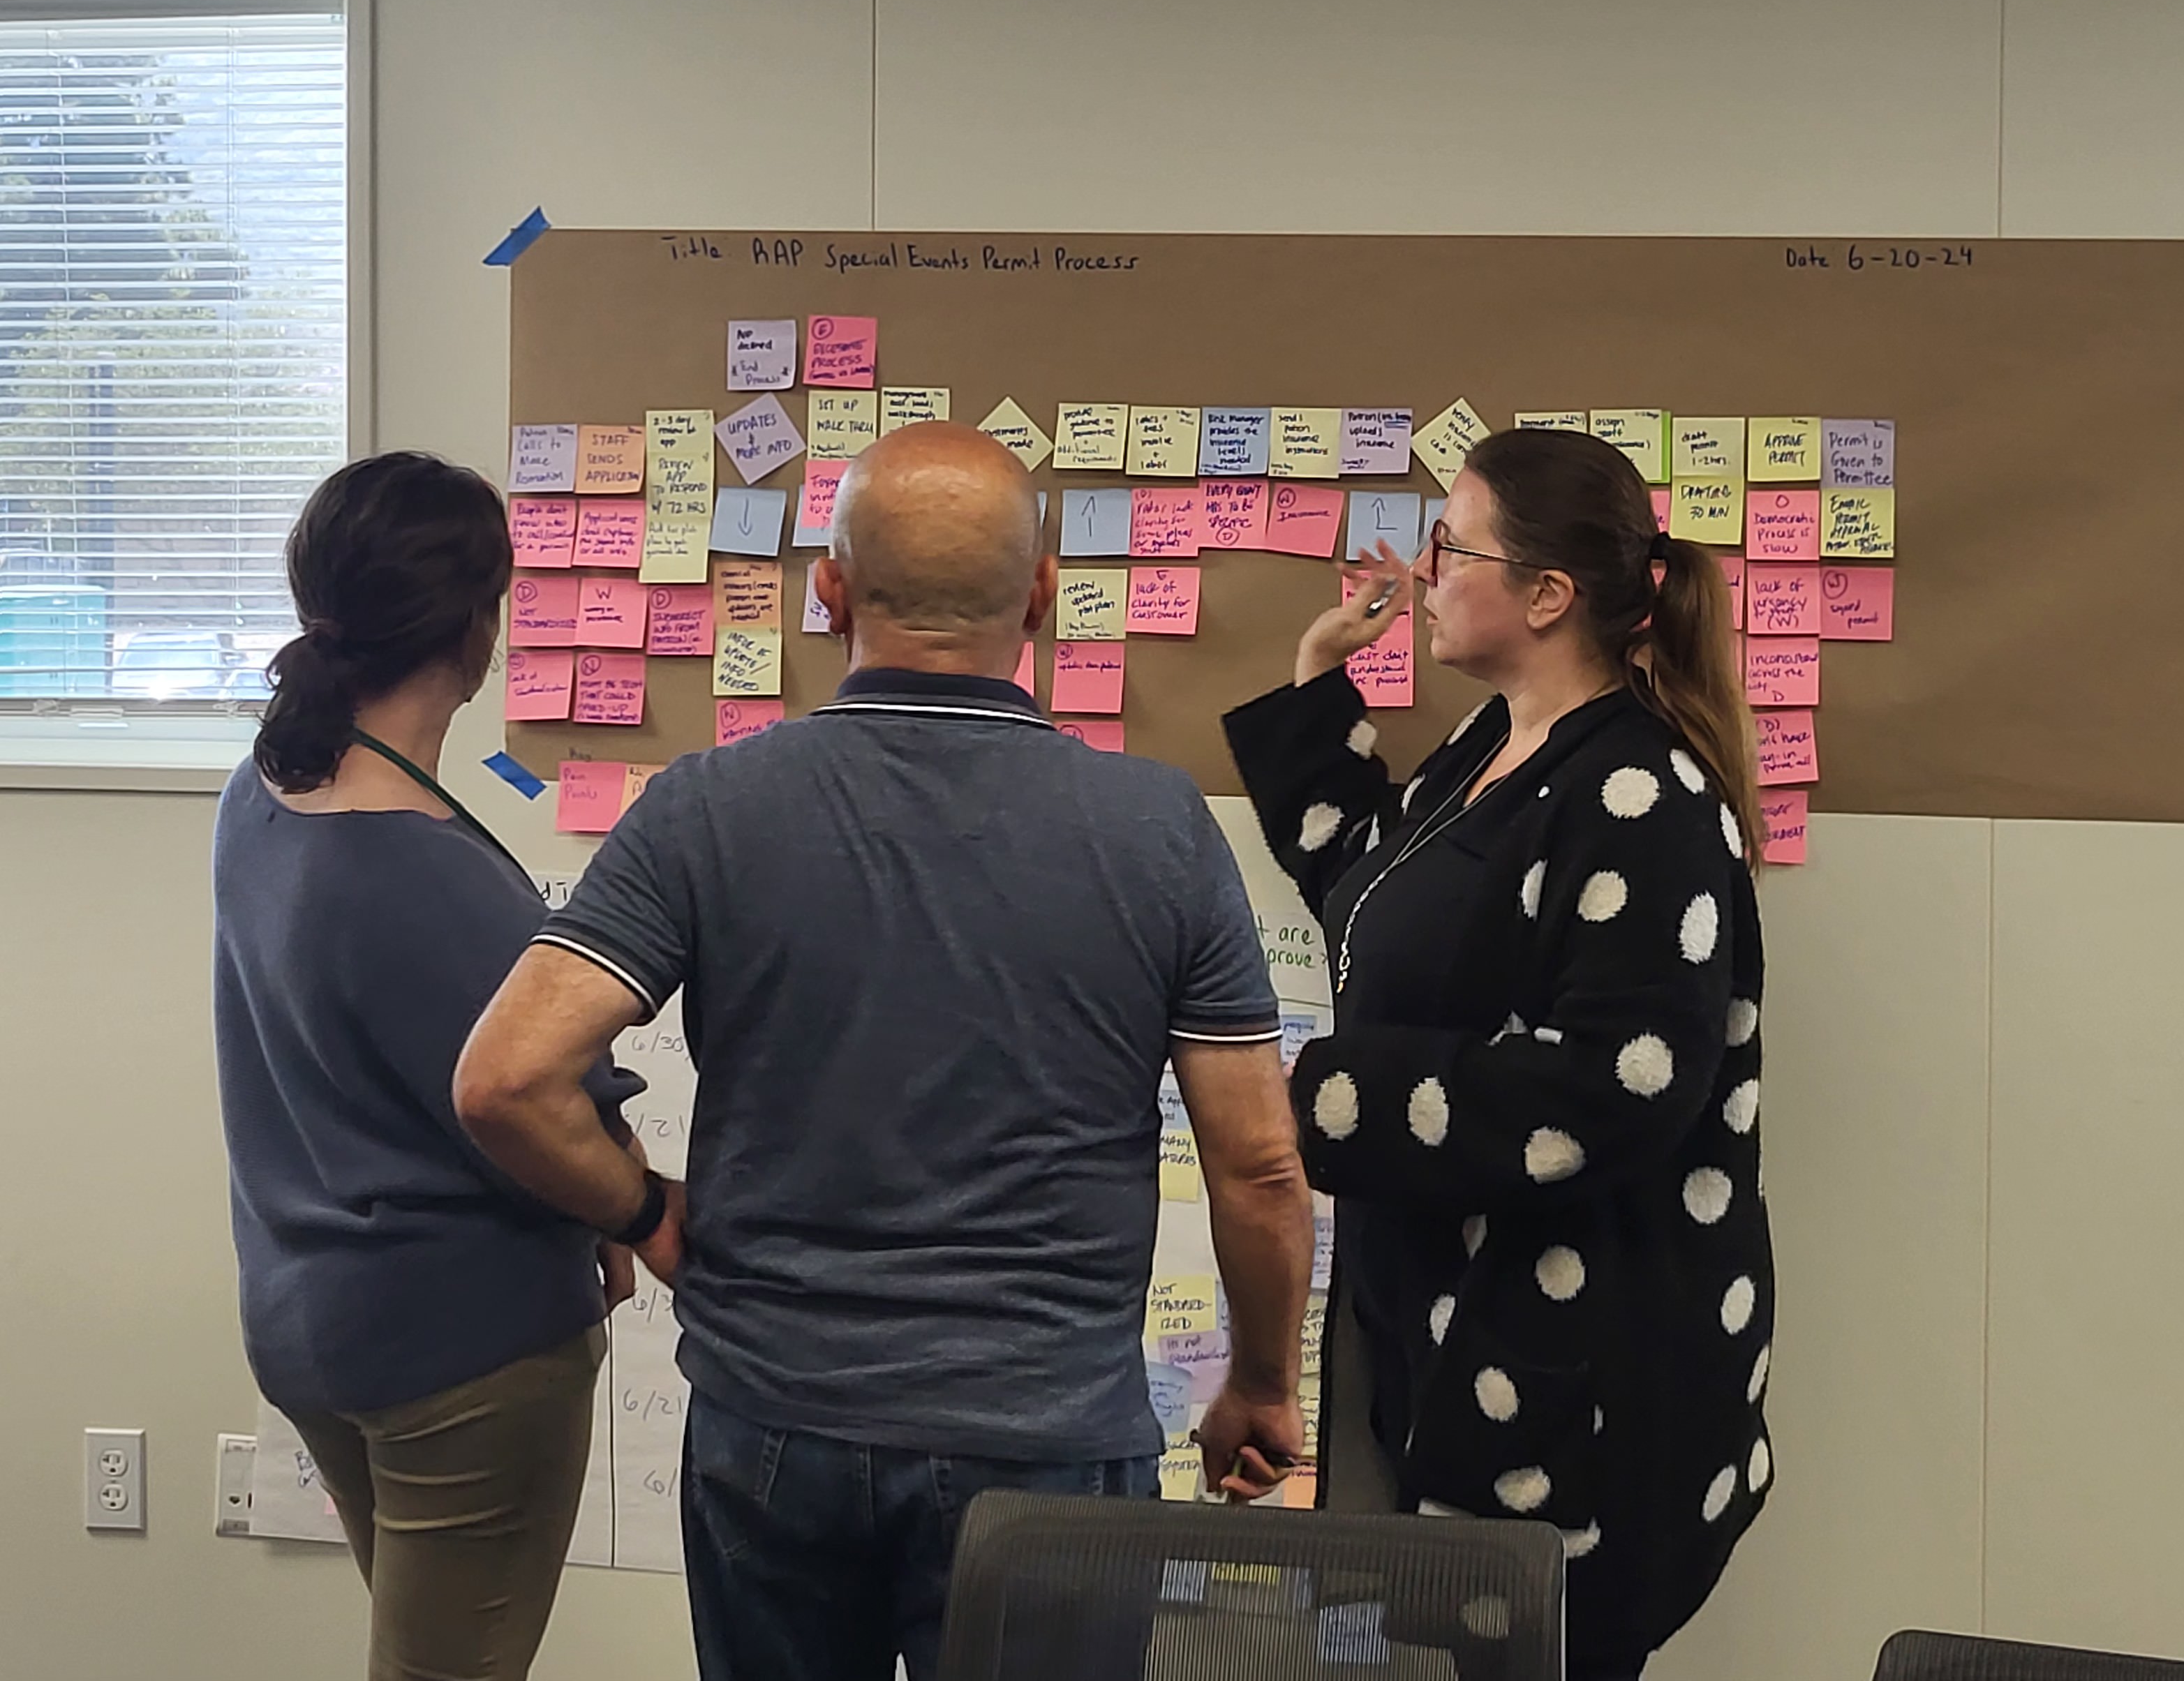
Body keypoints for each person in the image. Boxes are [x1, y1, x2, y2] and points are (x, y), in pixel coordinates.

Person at [452, 420, 1314, 1681]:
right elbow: (1260, 1169)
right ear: (1041, 597)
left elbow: (506, 1079)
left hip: (776, 1431)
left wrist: (646, 1213)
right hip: (1051, 1444)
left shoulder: (709, 807)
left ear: (831, 591)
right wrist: (1259, 1382)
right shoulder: (1159, 830)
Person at [1223, 425, 1776, 1680]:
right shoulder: (1499, 746)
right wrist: (1320, 685)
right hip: (1447, 1328)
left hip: (1568, 1379)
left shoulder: (1643, 793)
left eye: (1448, 546)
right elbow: (1380, 909)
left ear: (1547, 594)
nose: (1422, 574)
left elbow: (1613, 1090)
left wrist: (1310, 1099)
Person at [213, 451, 645, 1681]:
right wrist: (639, 1204)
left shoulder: (261, 794)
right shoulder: (419, 868)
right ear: (479, 622)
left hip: (311, 1324)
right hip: (459, 1353)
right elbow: (530, 1094)